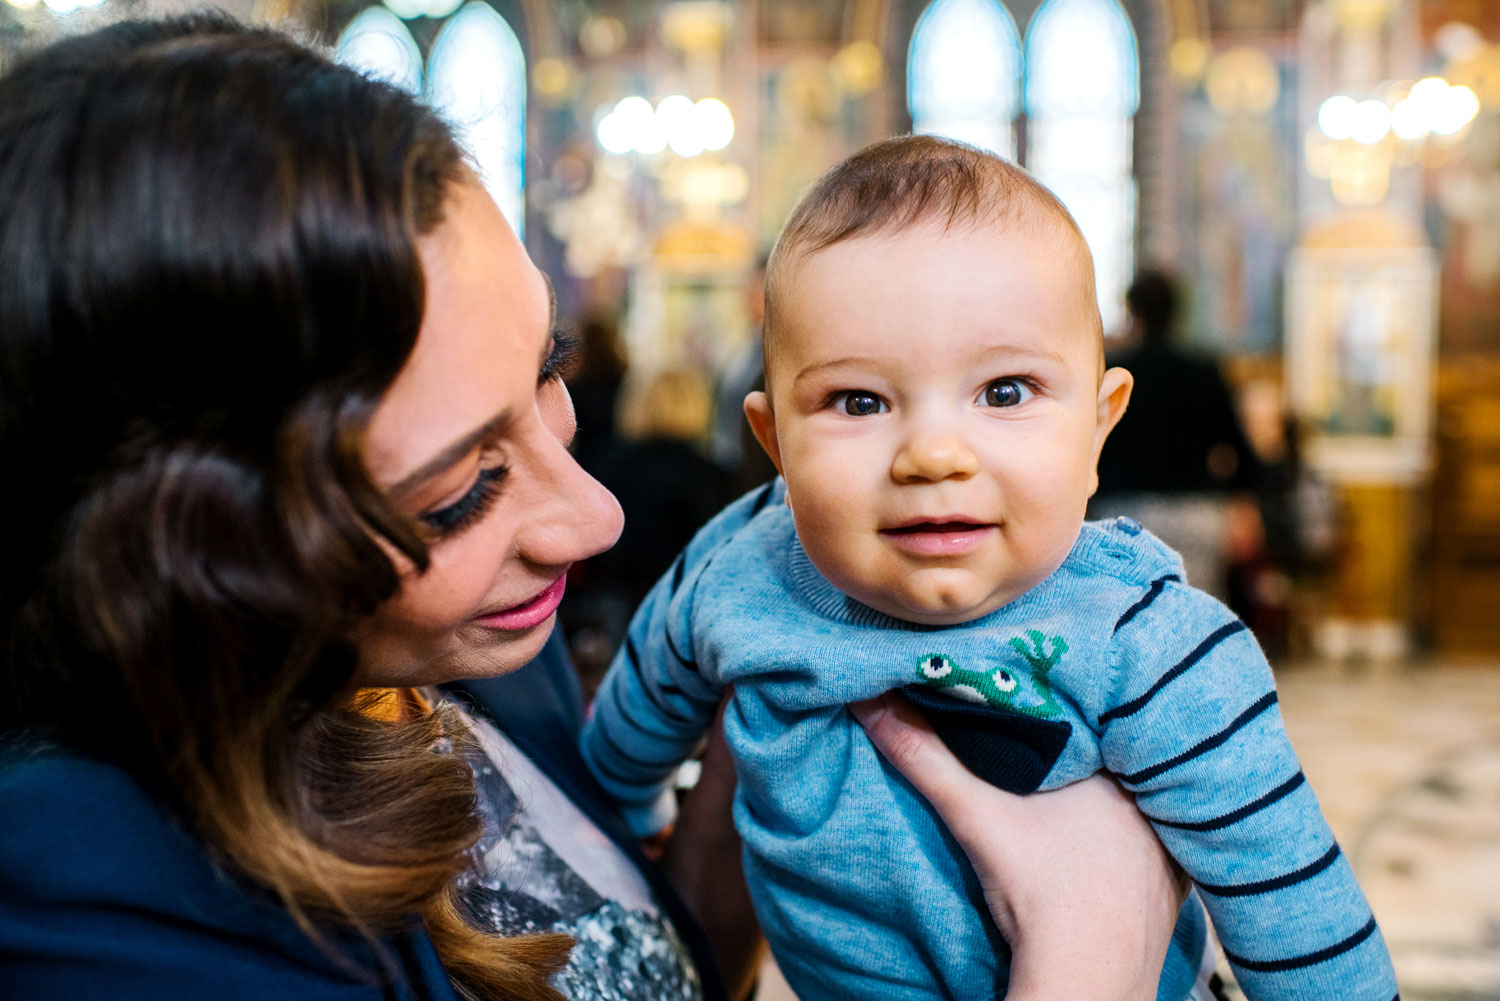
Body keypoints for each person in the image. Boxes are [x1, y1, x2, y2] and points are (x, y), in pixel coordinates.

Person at [0, 18, 1190, 1001]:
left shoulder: (479, 660)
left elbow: (653, 969)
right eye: (461, 489)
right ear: (192, 550)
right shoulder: (91, 891)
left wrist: (744, 809)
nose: (595, 517)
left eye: (550, 367)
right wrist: (1091, 953)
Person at [580, 136, 1399, 1001]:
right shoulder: (739, 566)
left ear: (1097, 425)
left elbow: (1303, 925)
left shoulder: (1146, 639)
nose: (934, 454)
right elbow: (626, 741)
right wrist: (634, 833)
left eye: (1004, 392)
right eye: (859, 401)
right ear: (775, 442)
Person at [1091, 271, 1261, 599]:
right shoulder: (1204, 371)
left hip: (1126, 512)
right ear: (1177, 312)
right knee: (1196, 625)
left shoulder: (1116, 373)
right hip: (1197, 513)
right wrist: (1241, 502)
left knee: (1125, 618)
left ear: (1132, 311)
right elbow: (1240, 450)